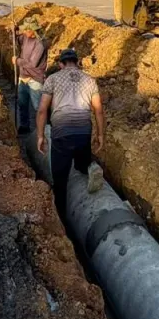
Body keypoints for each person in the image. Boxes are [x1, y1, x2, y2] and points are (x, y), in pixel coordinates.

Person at [36, 48, 105, 216]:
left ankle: (61, 217)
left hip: (61, 132)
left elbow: (42, 110)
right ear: (78, 62)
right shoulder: (89, 80)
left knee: (60, 178)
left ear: (61, 64)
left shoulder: (52, 79)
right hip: (83, 131)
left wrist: (40, 136)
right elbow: (98, 110)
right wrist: (100, 134)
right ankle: (89, 166)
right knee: (81, 162)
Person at [12, 18, 47, 134]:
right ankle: (24, 126)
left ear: (34, 30)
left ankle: (42, 131)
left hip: (35, 79)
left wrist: (17, 61)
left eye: (27, 30)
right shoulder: (26, 37)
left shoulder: (40, 44)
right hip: (23, 76)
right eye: (24, 30)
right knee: (22, 104)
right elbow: (16, 41)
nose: (25, 32)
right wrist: (13, 31)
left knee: (38, 107)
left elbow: (33, 63)